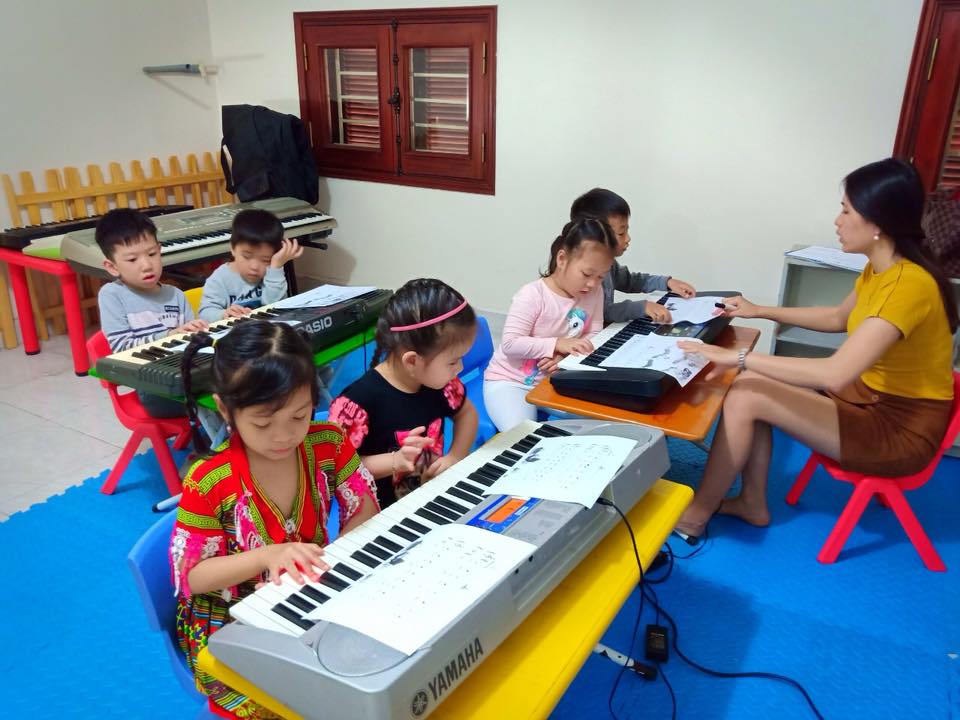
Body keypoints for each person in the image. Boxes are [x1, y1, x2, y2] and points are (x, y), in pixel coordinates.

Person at [674, 158, 957, 539]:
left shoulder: (908, 285)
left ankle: (696, 516)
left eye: (846, 211)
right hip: (869, 401)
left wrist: (737, 356)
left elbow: (835, 373)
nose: (837, 221)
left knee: (747, 392)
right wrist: (760, 310)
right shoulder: (883, 269)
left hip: (898, 430)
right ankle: (751, 503)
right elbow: (838, 317)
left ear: (877, 222)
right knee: (751, 382)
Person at [170, 320, 379, 718]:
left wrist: (332, 558)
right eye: (263, 423)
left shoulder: (327, 441)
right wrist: (268, 556)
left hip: (310, 594)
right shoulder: (208, 480)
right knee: (308, 702)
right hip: (230, 620)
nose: (284, 436)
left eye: (299, 416)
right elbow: (192, 578)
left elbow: (364, 507)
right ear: (225, 409)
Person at [327, 279, 480, 509]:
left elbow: (467, 413)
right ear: (412, 361)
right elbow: (334, 470)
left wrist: (455, 456)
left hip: (428, 500)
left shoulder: (440, 383)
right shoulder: (358, 403)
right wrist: (395, 461)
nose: (459, 368)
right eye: (453, 361)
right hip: (379, 516)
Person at [482, 218, 617, 431]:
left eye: (601, 276)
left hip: (559, 380)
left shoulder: (595, 292)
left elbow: (594, 333)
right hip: (511, 382)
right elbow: (510, 344)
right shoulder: (532, 295)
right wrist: (557, 344)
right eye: (586, 274)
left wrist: (565, 357)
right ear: (562, 259)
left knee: (608, 423)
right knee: (523, 436)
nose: (592, 283)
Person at [96, 208, 208, 417]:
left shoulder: (175, 294)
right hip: (152, 386)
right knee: (220, 398)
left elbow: (194, 343)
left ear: (160, 250)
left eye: (152, 254)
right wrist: (169, 336)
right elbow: (122, 349)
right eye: (132, 260)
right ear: (112, 267)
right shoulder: (112, 295)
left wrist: (198, 331)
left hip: (187, 374)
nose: (147, 265)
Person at [570, 188, 697, 324]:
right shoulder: (581, 274)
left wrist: (666, 283)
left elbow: (630, 281)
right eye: (621, 233)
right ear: (593, 236)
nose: (628, 238)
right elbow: (600, 312)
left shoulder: (608, 265)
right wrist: (642, 307)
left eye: (627, 231)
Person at [198, 209, 303, 321]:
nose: (254, 267)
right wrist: (223, 314)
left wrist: (276, 267)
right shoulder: (220, 278)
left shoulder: (273, 273)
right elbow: (205, 313)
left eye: (265, 260)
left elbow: (276, 307)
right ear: (232, 248)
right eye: (246, 256)